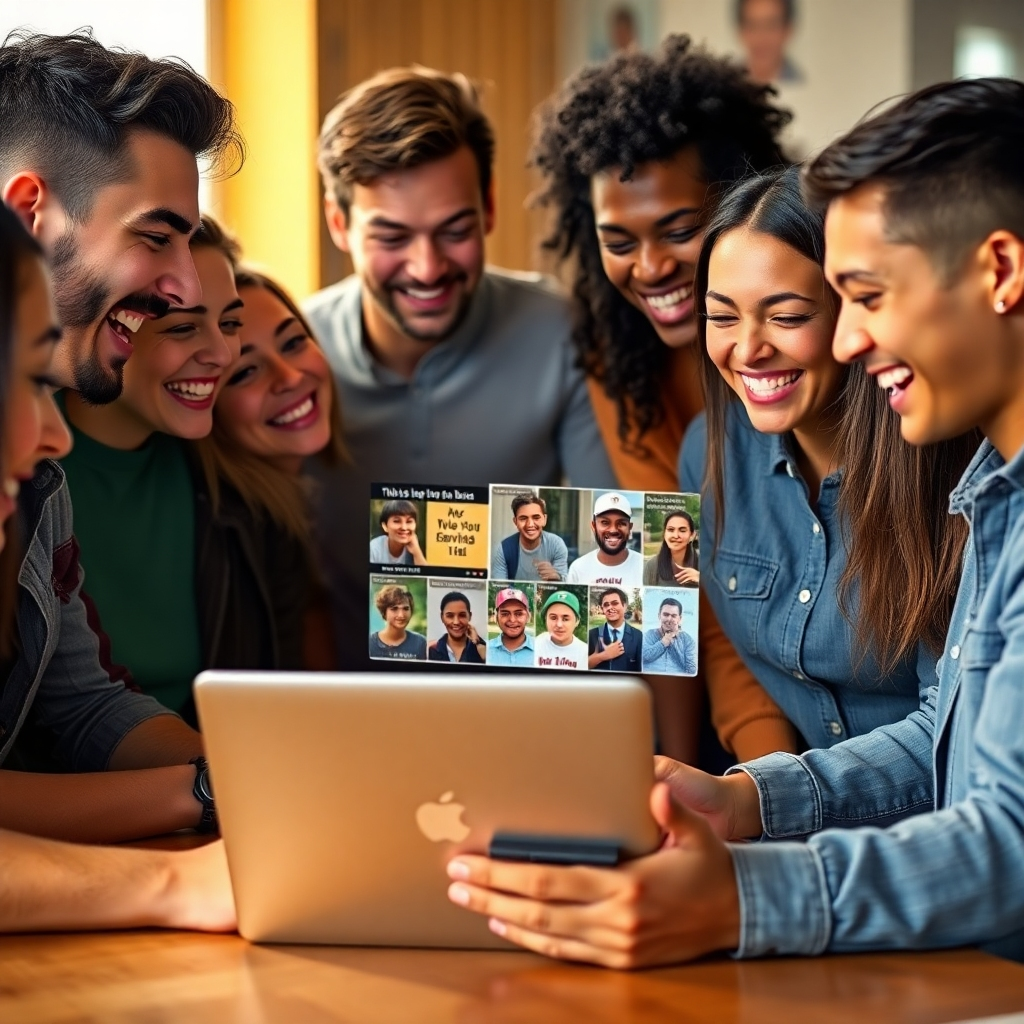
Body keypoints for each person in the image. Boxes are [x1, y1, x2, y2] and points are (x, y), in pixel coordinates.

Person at [444, 77, 1024, 967]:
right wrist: (746, 797)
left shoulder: (945, 464)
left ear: (999, 272)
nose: (848, 339)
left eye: (862, 298)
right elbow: (943, 735)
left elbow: (1004, 840)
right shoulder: (987, 484)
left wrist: (745, 894)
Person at [0, 30, 240, 841]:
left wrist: (250, 778)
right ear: (30, 211)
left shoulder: (39, 464)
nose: (180, 286)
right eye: (154, 236)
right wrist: (210, 805)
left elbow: (85, 702)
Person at [532, 41, 795, 760]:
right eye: (619, 241)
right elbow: (687, 590)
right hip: (738, 728)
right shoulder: (621, 371)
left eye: (679, 231)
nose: (651, 268)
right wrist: (684, 778)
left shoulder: (811, 344)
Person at [304, 65, 615, 670]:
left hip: (529, 715)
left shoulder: (564, 333)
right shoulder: (294, 361)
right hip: (344, 719)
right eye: (391, 237)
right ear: (339, 223)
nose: (426, 268)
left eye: (454, 231)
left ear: (490, 206)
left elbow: (612, 573)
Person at [679, 166, 975, 751]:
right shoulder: (709, 454)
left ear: (854, 314)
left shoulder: (946, 472)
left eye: (786, 317)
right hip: (785, 822)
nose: (747, 350)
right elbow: (734, 658)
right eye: (721, 316)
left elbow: (945, 732)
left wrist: (766, 799)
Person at [55, 217, 239, 720]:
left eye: (230, 323)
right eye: (182, 327)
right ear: (114, 330)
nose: (221, 354)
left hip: (201, 780)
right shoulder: (25, 477)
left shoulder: (229, 478)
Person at [202, 265, 347, 671]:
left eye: (294, 343)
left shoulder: (310, 491)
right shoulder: (231, 535)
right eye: (245, 371)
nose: (289, 377)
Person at [566, 491, 642, 587]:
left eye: (621, 523)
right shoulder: (578, 568)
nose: (613, 530)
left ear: (630, 527)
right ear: (593, 526)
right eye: (605, 522)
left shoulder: (645, 567)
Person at [491, 492, 568, 582]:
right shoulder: (504, 549)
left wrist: (556, 577)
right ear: (515, 522)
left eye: (536, 518)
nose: (530, 525)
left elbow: (564, 587)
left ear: (544, 519)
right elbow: (499, 588)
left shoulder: (556, 544)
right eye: (523, 518)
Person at [736, 0, 802, 85]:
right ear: (740, 30)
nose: (761, 38)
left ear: (788, 29)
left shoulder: (802, 82)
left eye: (771, 25)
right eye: (752, 25)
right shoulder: (728, 82)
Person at [587, 587, 642, 671]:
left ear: (625, 606)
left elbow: (640, 669)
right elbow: (579, 666)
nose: (610, 608)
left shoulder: (638, 636)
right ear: (602, 609)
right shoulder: (592, 635)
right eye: (606, 605)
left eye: (615, 603)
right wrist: (602, 656)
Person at [534, 590, 588, 671]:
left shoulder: (584, 653)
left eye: (565, 619)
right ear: (546, 619)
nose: (559, 624)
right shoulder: (536, 644)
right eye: (553, 618)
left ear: (577, 621)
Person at [428, 590, 487, 664]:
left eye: (462, 615)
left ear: (470, 616)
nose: (456, 622)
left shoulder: (484, 650)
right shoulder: (431, 651)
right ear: (442, 617)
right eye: (450, 616)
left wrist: (477, 644)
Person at [369, 584, 426, 660]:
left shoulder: (420, 643)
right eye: (394, 609)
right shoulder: (370, 643)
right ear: (384, 612)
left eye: (405, 609)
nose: (401, 615)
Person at [642, 597, 697, 676]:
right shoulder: (649, 635)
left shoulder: (687, 640)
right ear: (659, 616)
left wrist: (674, 642)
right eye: (666, 614)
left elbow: (691, 670)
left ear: (679, 618)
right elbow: (643, 657)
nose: (669, 619)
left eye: (673, 616)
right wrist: (663, 643)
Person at [643, 510, 699, 586]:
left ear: (692, 535)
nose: (676, 536)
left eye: (682, 530)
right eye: (671, 530)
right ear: (664, 534)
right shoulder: (652, 566)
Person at [486, 587, 535, 667]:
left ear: (528, 616)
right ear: (496, 616)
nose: (512, 620)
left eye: (519, 614)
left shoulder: (542, 650)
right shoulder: (485, 650)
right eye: (505, 614)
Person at [370, 499, 425, 566]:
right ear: (385, 526)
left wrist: (417, 552)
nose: (404, 528)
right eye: (397, 521)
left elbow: (427, 575)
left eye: (409, 521)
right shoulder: (374, 548)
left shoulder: (415, 546)